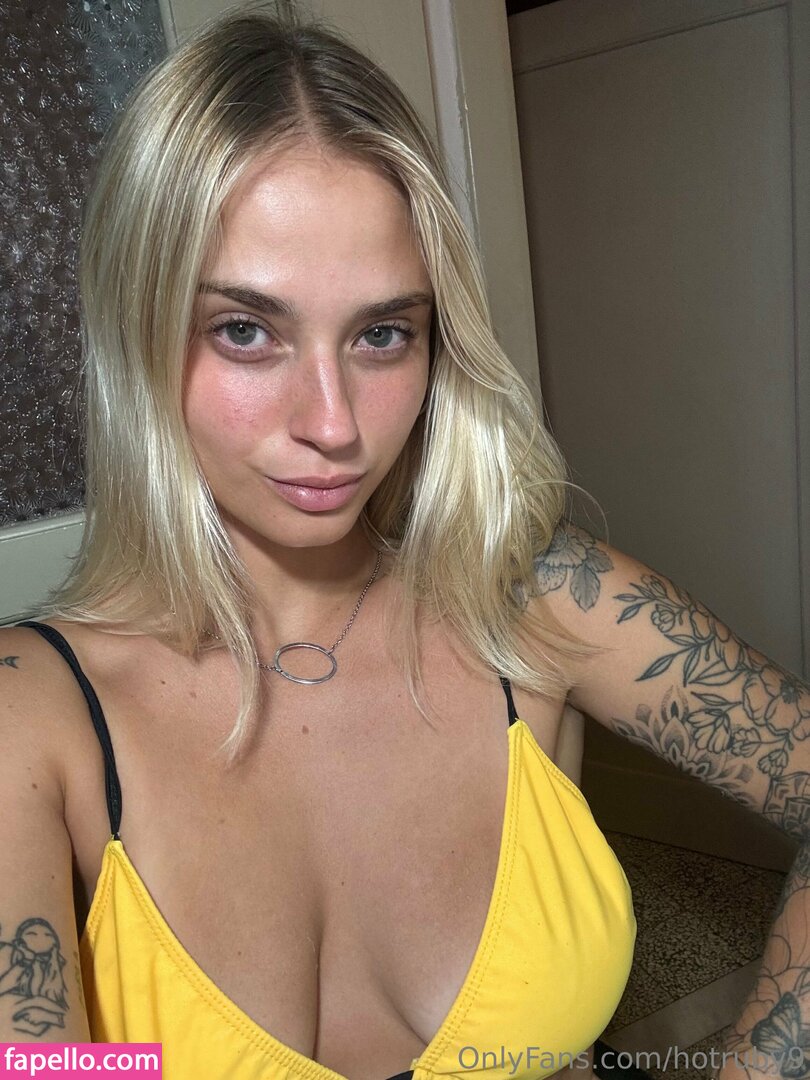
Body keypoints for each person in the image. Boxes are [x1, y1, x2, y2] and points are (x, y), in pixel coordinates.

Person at [1, 4, 807, 1079]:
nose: (333, 423)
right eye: (245, 330)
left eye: (383, 333)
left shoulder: (532, 598)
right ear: (139, 328)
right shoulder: (32, 721)